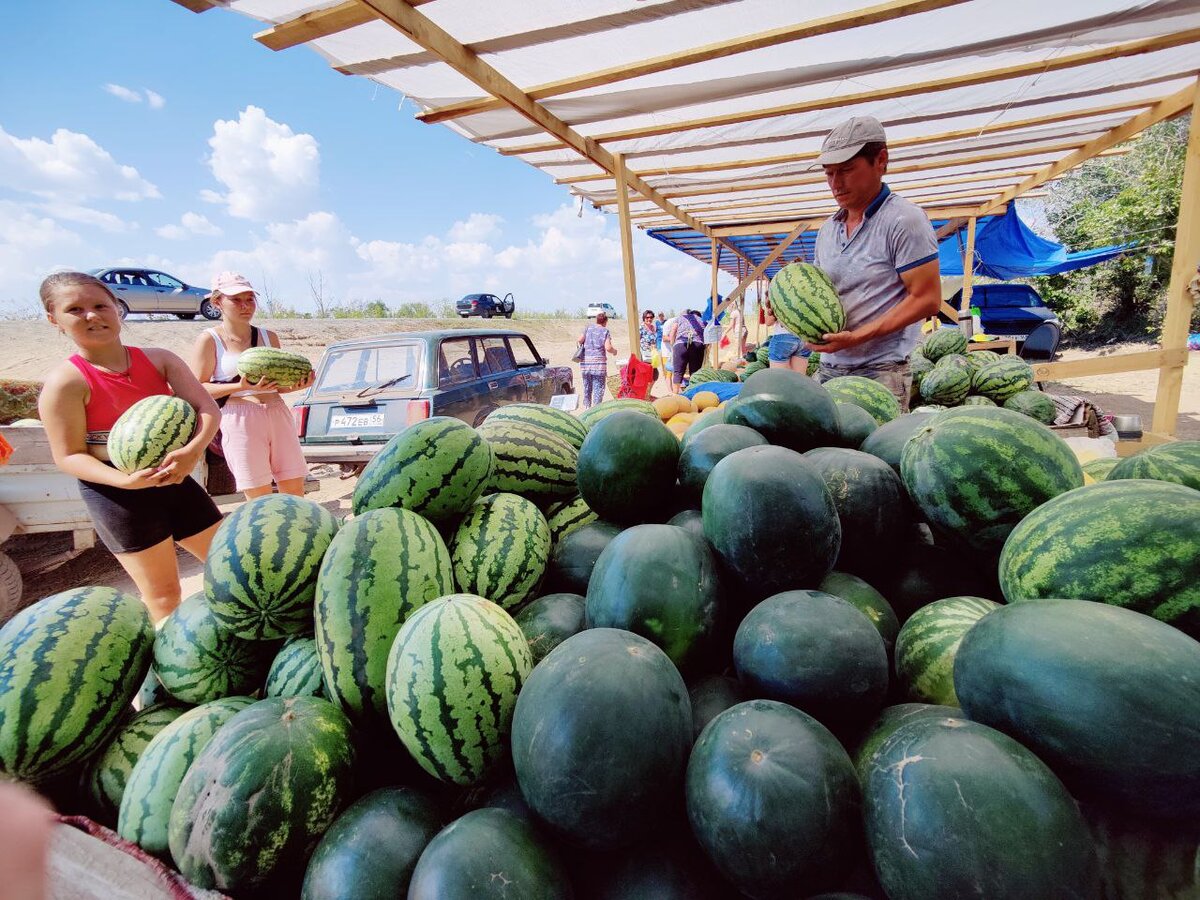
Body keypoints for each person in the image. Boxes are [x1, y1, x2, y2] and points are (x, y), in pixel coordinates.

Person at [37, 272, 222, 622]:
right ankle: (176, 670)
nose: (92, 315)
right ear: (54, 320)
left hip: (176, 480)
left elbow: (206, 409)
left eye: (100, 305)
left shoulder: (159, 360)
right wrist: (126, 481)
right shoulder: (65, 382)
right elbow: (69, 456)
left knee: (232, 569)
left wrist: (193, 451)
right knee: (165, 597)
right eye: (75, 309)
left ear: (117, 309)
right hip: (117, 496)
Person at [805, 115, 942, 410]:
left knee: (874, 457)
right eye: (828, 173)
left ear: (881, 161)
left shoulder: (904, 220)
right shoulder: (828, 229)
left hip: (880, 373)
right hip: (829, 369)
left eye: (846, 170)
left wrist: (856, 338)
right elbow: (820, 292)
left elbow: (928, 299)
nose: (835, 183)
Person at [189, 273, 314, 501]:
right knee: (258, 497)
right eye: (236, 300)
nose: (245, 306)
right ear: (217, 302)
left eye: (249, 299)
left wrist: (297, 385)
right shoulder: (209, 340)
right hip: (239, 418)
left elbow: (276, 387)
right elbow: (198, 389)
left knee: (295, 491)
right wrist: (239, 386)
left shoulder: (269, 337)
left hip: (277, 413)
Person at [576, 311, 616, 409]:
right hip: (598, 364)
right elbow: (608, 347)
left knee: (587, 386)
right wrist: (614, 351)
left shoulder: (588, 328)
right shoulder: (605, 331)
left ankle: (586, 408)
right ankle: (596, 409)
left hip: (586, 363)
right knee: (598, 387)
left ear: (596, 320)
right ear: (605, 321)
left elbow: (579, 340)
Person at [664, 308, 706, 394]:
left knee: (678, 372)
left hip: (680, 345)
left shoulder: (680, 318)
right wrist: (705, 346)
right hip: (697, 344)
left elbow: (673, 331)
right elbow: (707, 332)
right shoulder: (701, 319)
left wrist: (673, 345)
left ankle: (675, 395)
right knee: (695, 372)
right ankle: (694, 394)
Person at [765, 299, 809, 372]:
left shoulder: (776, 289)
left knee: (781, 381)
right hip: (804, 337)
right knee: (799, 380)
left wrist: (768, 307)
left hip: (783, 338)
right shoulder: (808, 289)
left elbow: (769, 322)